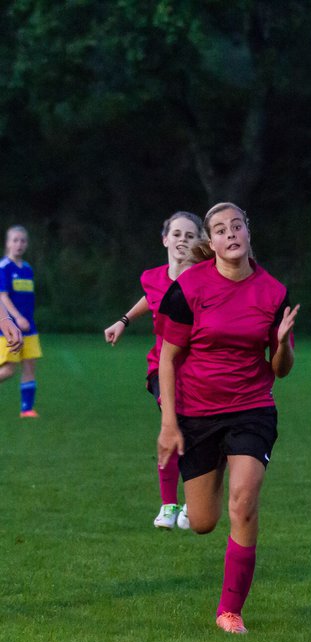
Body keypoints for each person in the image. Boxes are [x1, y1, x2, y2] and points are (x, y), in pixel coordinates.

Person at [156, 203, 299, 634]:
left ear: (248, 233)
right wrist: (169, 422)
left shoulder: (273, 292)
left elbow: (281, 369)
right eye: (220, 229)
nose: (230, 234)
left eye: (237, 226)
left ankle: (230, 610)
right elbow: (168, 358)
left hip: (252, 408)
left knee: (244, 501)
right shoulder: (189, 288)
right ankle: (218, 458)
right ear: (212, 242)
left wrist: (283, 343)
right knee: (202, 522)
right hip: (198, 411)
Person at [104, 211, 203, 530]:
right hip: (161, 368)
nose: (182, 240)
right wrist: (123, 321)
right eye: (176, 234)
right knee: (173, 426)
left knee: (193, 433)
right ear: (165, 239)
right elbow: (152, 297)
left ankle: (190, 502)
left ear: (200, 242)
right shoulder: (153, 277)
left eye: (190, 235)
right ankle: (169, 505)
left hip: (201, 371)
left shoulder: (206, 279)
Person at [0, 226, 43, 417]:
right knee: (8, 370)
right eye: (15, 240)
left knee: (29, 366)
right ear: (8, 243)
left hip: (29, 328)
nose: (19, 244)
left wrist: (26, 319)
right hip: (8, 328)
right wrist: (16, 318)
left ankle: (27, 409)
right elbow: (3, 296)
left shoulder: (27, 269)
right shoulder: (4, 268)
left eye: (23, 240)